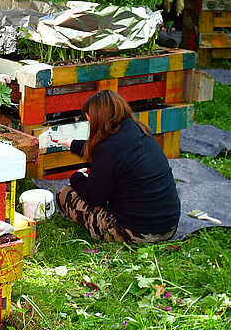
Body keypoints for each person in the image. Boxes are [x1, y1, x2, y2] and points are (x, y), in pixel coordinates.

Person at [51, 90, 180, 244]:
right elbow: (103, 152)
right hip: (169, 225)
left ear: (99, 120)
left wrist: (76, 177)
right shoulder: (136, 129)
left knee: (64, 195)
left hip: (136, 233)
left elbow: (94, 198)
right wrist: (73, 144)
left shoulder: (108, 150)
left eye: (89, 120)